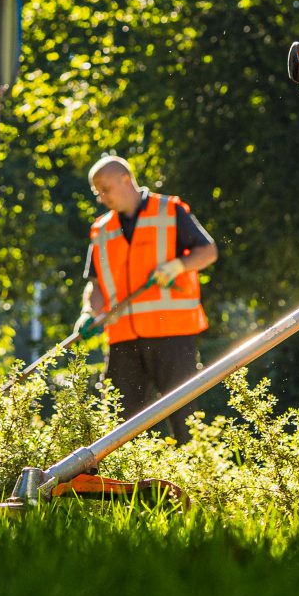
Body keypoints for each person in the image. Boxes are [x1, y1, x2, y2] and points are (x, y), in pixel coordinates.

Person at [71, 154, 217, 441]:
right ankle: (120, 484)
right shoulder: (101, 230)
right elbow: (97, 284)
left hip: (173, 334)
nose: (101, 198)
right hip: (123, 339)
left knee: (184, 420)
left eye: (105, 189)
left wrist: (178, 265)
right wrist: (88, 312)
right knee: (116, 424)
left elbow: (208, 252)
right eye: (96, 192)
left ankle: (194, 483)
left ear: (126, 180)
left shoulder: (169, 211)